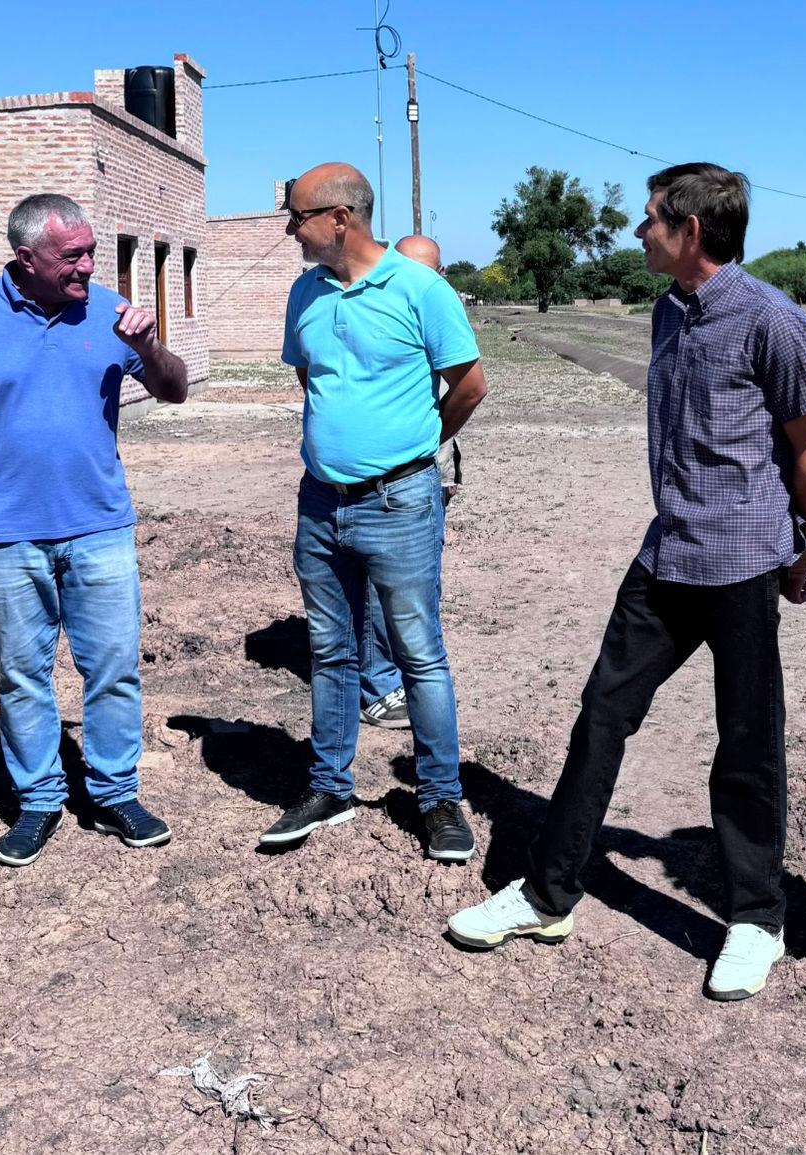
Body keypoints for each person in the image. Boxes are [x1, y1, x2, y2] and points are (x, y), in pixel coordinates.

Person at [447, 162, 806, 1002]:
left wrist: (800, 546)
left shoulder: (770, 318)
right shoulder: (667, 310)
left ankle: (755, 919)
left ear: (691, 230)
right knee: (601, 715)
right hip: (666, 556)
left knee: (747, 742)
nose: (638, 230)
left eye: (651, 217)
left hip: (742, 560)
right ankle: (547, 893)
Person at [0, 193, 189, 868]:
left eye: (91, 251)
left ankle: (115, 793)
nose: (88, 265)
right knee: (22, 675)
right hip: (2, 533)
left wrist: (148, 347)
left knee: (113, 669)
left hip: (99, 526)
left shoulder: (111, 312)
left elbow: (175, 389)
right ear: (26, 257)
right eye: (73, 255)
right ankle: (38, 800)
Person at [260, 164, 488, 862]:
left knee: (419, 654)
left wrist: (415, 445)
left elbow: (469, 385)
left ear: (340, 219)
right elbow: (312, 379)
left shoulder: (420, 289)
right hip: (320, 502)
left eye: (297, 217)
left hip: (400, 502)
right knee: (331, 650)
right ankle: (329, 787)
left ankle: (439, 796)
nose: (290, 231)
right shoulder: (305, 291)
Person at [354, 233, 466, 732]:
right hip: (386, 475)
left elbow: (464, 387)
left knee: (419, 579)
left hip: (422, 467)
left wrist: (435, 453)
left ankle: (409, 673)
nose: (420, 278)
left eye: (430, 270)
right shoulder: (381, 306)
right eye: (410, 268)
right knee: (381, 584)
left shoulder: (437, 305)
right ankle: (381, 683)